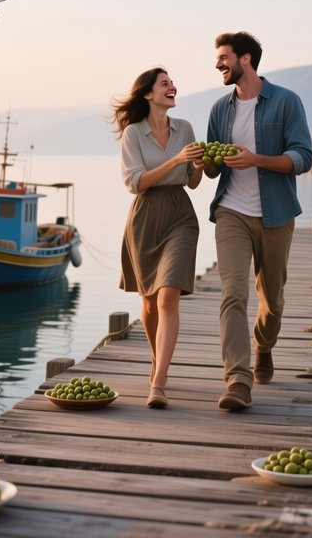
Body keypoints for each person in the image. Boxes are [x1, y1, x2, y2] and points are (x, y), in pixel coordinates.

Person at [201, 32, 312, 410]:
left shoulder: (286, 102)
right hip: (231, 212)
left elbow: (303, 157)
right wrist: (207, 161)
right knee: (233, 293)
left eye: (223, 57)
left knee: (273, 300)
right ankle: (238, 381)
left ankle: (264, 346)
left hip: (275, 214)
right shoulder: (220, 109)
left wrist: (257, 160)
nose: (218, 64)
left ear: (245, 59)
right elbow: (215, 169)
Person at [111, 67, 204, 409]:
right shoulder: (133, 134)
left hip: (180, 213)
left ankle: (159, 382)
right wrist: (178, 159)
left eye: (172, 82)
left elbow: (192, 182)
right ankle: (157, 361)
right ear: (149, 94)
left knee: (167, 297)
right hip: (145, 217)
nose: (172, 87)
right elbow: (135, 182)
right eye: (165, 83)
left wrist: (202, 165)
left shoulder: (187, 129)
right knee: (149, 301)